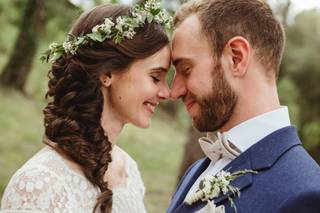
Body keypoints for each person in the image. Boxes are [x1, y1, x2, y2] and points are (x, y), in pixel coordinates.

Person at [1, 1, 172, 212]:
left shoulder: (128, 170)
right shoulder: (38, 184)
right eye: (156, 77)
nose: (167, 92)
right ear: (107, 74)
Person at [167, 0, 320, 212]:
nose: (173, 92)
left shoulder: (307, 195)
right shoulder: (196, 171)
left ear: (236, 58)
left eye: (186, 69)